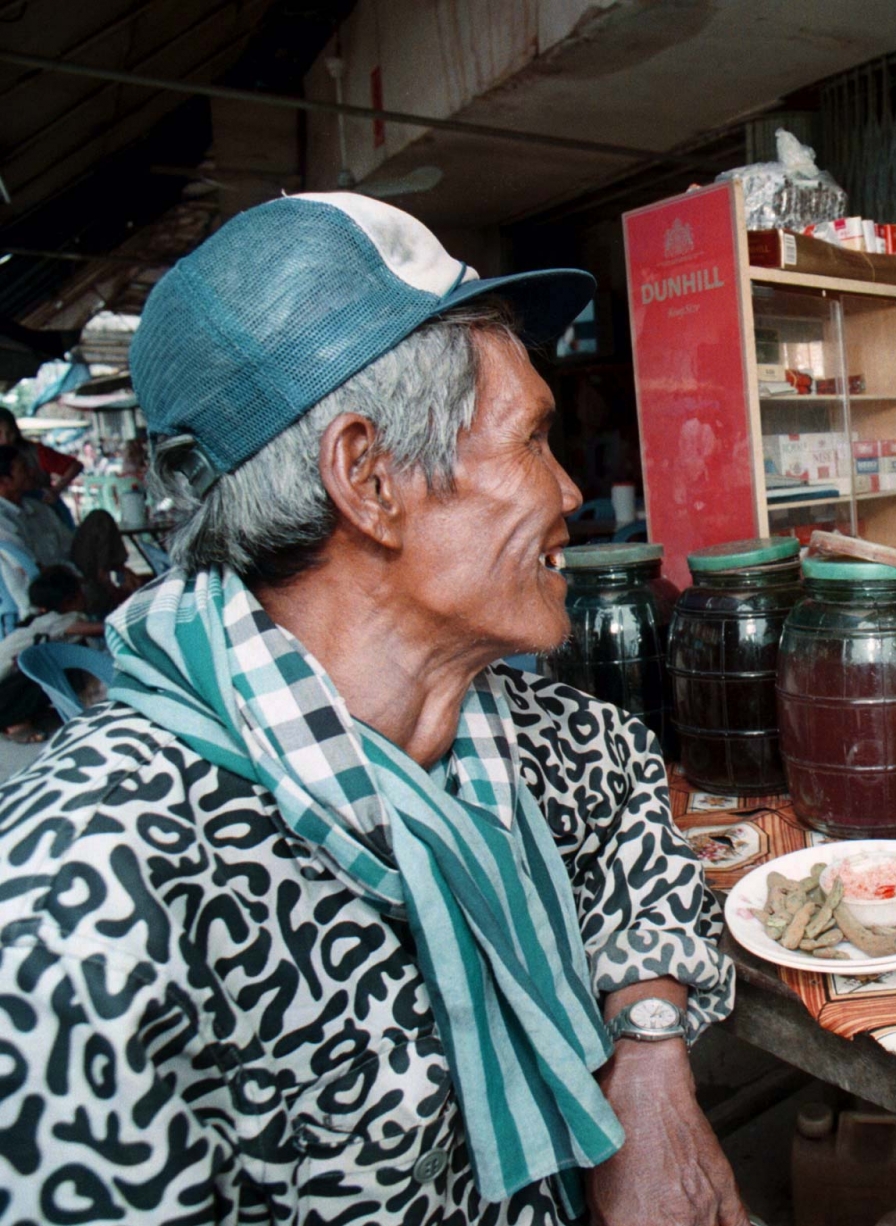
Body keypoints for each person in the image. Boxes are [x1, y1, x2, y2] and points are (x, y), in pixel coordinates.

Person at [0, 193, 744, 1226]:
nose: (573, 489)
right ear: (368, 478)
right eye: (531, 440)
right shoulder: (83, 899)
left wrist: (651, 1061)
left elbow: (626, 804)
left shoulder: (519, 734)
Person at [0, 565, 104, 737]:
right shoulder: (58, 621)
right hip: (4, 700)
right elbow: (102, 629)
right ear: (70, 600)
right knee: (59, 666)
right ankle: (14, 721)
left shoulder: (38, 622)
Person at [0, 405, 84, 509]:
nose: (5, 439)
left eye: (9, 433)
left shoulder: (34, 451)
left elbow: (74, 466)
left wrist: (56, 489)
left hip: (43, 508)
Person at [0, 443, 40, 617]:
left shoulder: (39, 508)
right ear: (5, 481)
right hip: (45, 596)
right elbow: (29, 568)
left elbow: (71, 544)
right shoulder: (2, 522)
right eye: (23, 469)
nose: (31, 472)